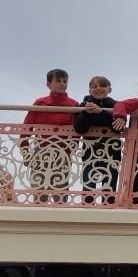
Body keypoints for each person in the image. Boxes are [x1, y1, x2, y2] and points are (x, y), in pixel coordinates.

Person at [21, 68, 79, 201]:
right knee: (39, 190)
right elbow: (26, 128)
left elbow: (76, 132)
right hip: (41, 151)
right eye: (58, 81)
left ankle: (61, 220)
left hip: (63, 152)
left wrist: (70, 150)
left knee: (60, 191)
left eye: (65, 81)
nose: (62, 84)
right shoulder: (40, 103)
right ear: (48, 84)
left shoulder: (74, 105)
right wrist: (26, 153)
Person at [74, 76, 119, 203]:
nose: (98, 88)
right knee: (88, 183)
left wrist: (101, 112)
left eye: (102, 86)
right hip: (89, 151)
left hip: (112, 151)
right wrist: (86, 112)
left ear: (109, 89)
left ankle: (109, 208)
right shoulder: (82, 106)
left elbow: (117, 128)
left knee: (110, 184)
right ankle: (87, 207)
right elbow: (79, 128)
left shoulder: (116, 105)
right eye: (94, 86)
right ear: (89, 90)